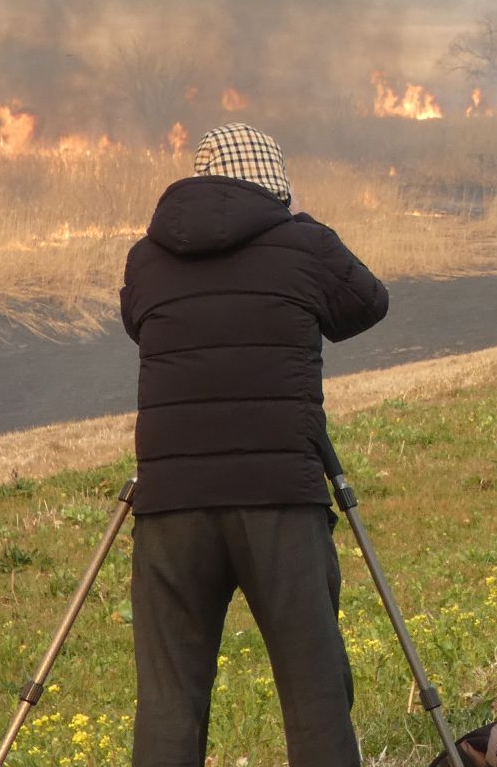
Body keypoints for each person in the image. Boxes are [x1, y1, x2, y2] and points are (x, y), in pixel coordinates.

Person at [120, 124, 392, 767]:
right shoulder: (304, 243)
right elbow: (368, 305)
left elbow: (140, 325)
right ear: (274, 181)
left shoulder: (145, 256)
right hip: (280, 502)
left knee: (168, 703)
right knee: (314, 696)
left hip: (170, 507)